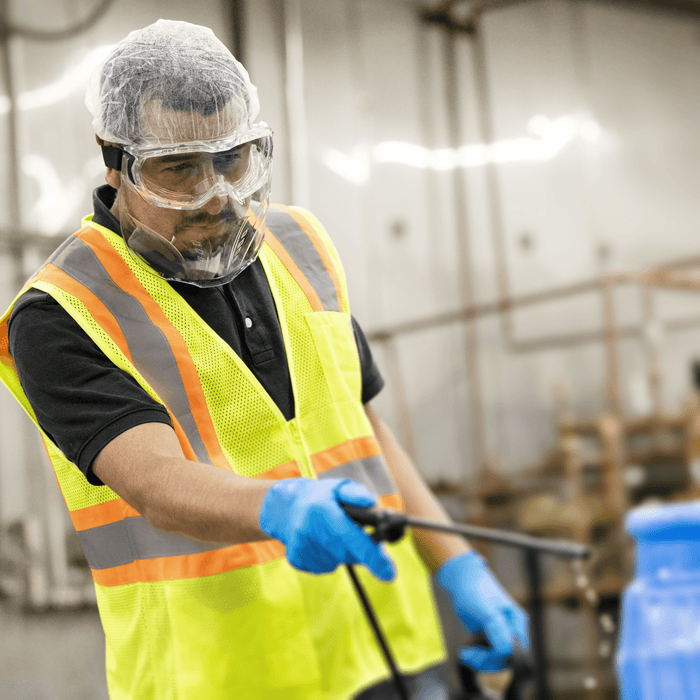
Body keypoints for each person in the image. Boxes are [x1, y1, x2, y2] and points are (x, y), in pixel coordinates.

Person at [0, 19, 528, 700]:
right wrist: (280, 508)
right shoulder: (63, 310)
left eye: (233, 159)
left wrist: (460, 568)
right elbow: (155, 483)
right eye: (178, 169)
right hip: (221, 679)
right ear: (114, 161)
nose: (215, 195)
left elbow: (364, 430)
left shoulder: (299, 243)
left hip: (379, 654)